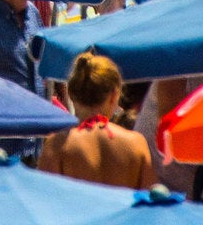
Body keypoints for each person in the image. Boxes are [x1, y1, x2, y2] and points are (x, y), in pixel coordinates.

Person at [35, 54, 157, 187]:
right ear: (114, 95)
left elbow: (44, 199)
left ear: (70, 93)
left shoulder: (57, 145)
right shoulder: (136, 143)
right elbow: (150, 201)